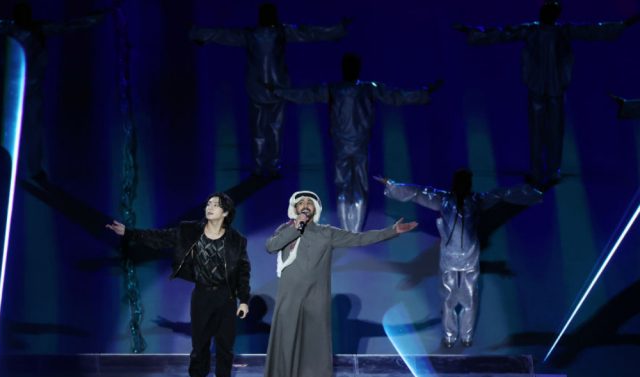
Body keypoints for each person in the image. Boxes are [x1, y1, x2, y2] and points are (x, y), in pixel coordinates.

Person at [262, 190, 417, 377]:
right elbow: (271, 247)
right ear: (294, 208)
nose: (305, 206)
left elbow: (359, 238)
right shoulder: (285, 230)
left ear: (316, 208)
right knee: (288, 347)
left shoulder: (327, 233)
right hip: (289, 299)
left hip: (316, 298)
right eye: (300, 203)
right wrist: (296, 227)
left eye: (309, 203)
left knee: (316, 349)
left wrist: (392, 231)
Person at [455, 1, 639, 186]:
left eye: (550, 12)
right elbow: (502, 33)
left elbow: (592, 30)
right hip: (538, 89)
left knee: (554, 132)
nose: (547, 14)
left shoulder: (561, 31)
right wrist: (473, 32)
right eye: (546, 11)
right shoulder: (532, 30)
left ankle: (552, 171)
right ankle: (538, 171)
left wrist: (623, 24)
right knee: (537, 132)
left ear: (555, 15)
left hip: (554, 90)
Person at [106, 192, 250, 377]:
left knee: (225, 350)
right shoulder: (189, 231)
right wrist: (130, 233)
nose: (210, 207)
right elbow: (160, 238)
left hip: (227, 299)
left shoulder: (237, 240)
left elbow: (243, 271)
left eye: (216, 205)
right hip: (202, 297)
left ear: (226, 212)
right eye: (208, 203)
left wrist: (245, 300)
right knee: (199, 349)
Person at [0, 2, 109, 181]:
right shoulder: (8, 27)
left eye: (25, 15)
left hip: (31, 88)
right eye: (20, 15)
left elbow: (69, 26)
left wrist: (97, 17)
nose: (23, 19)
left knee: (33, 128)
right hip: (11, 89)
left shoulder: (37, 28)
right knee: (6, 129)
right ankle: (6, 166)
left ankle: (34, 170)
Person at [274, 53, 441, 232]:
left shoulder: (345, 89)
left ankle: (350, 231)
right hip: (355, 144)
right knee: (356, 186)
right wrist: (422, 93)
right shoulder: (360, 88)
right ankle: (353, 230)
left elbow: (307, 94)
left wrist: (279, 92)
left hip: (346, 144)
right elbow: (395, 96)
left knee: (347, 186)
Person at [376, 170, 542, 348]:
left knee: (469, 299)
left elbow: (501, 194)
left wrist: (530, 192)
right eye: (460, 183)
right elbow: (418, 193)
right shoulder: (444, 200)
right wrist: (392, 185)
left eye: (465, 183)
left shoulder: (475, 201)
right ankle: (449, 336)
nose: (463, 187)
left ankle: (466, 335)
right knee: (448, 300)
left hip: (469, 259)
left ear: (468, 185)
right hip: (449, 258)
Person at [190, 3, 349, 177]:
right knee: (273, 129)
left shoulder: (258, 34)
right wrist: (336, 31)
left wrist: (199, 33)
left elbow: (223, 35)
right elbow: (308, 32)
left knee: (262, 130)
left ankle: (262, 166)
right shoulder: (277, 32)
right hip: (273, 88)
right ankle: (270, 166)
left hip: (264, 89)